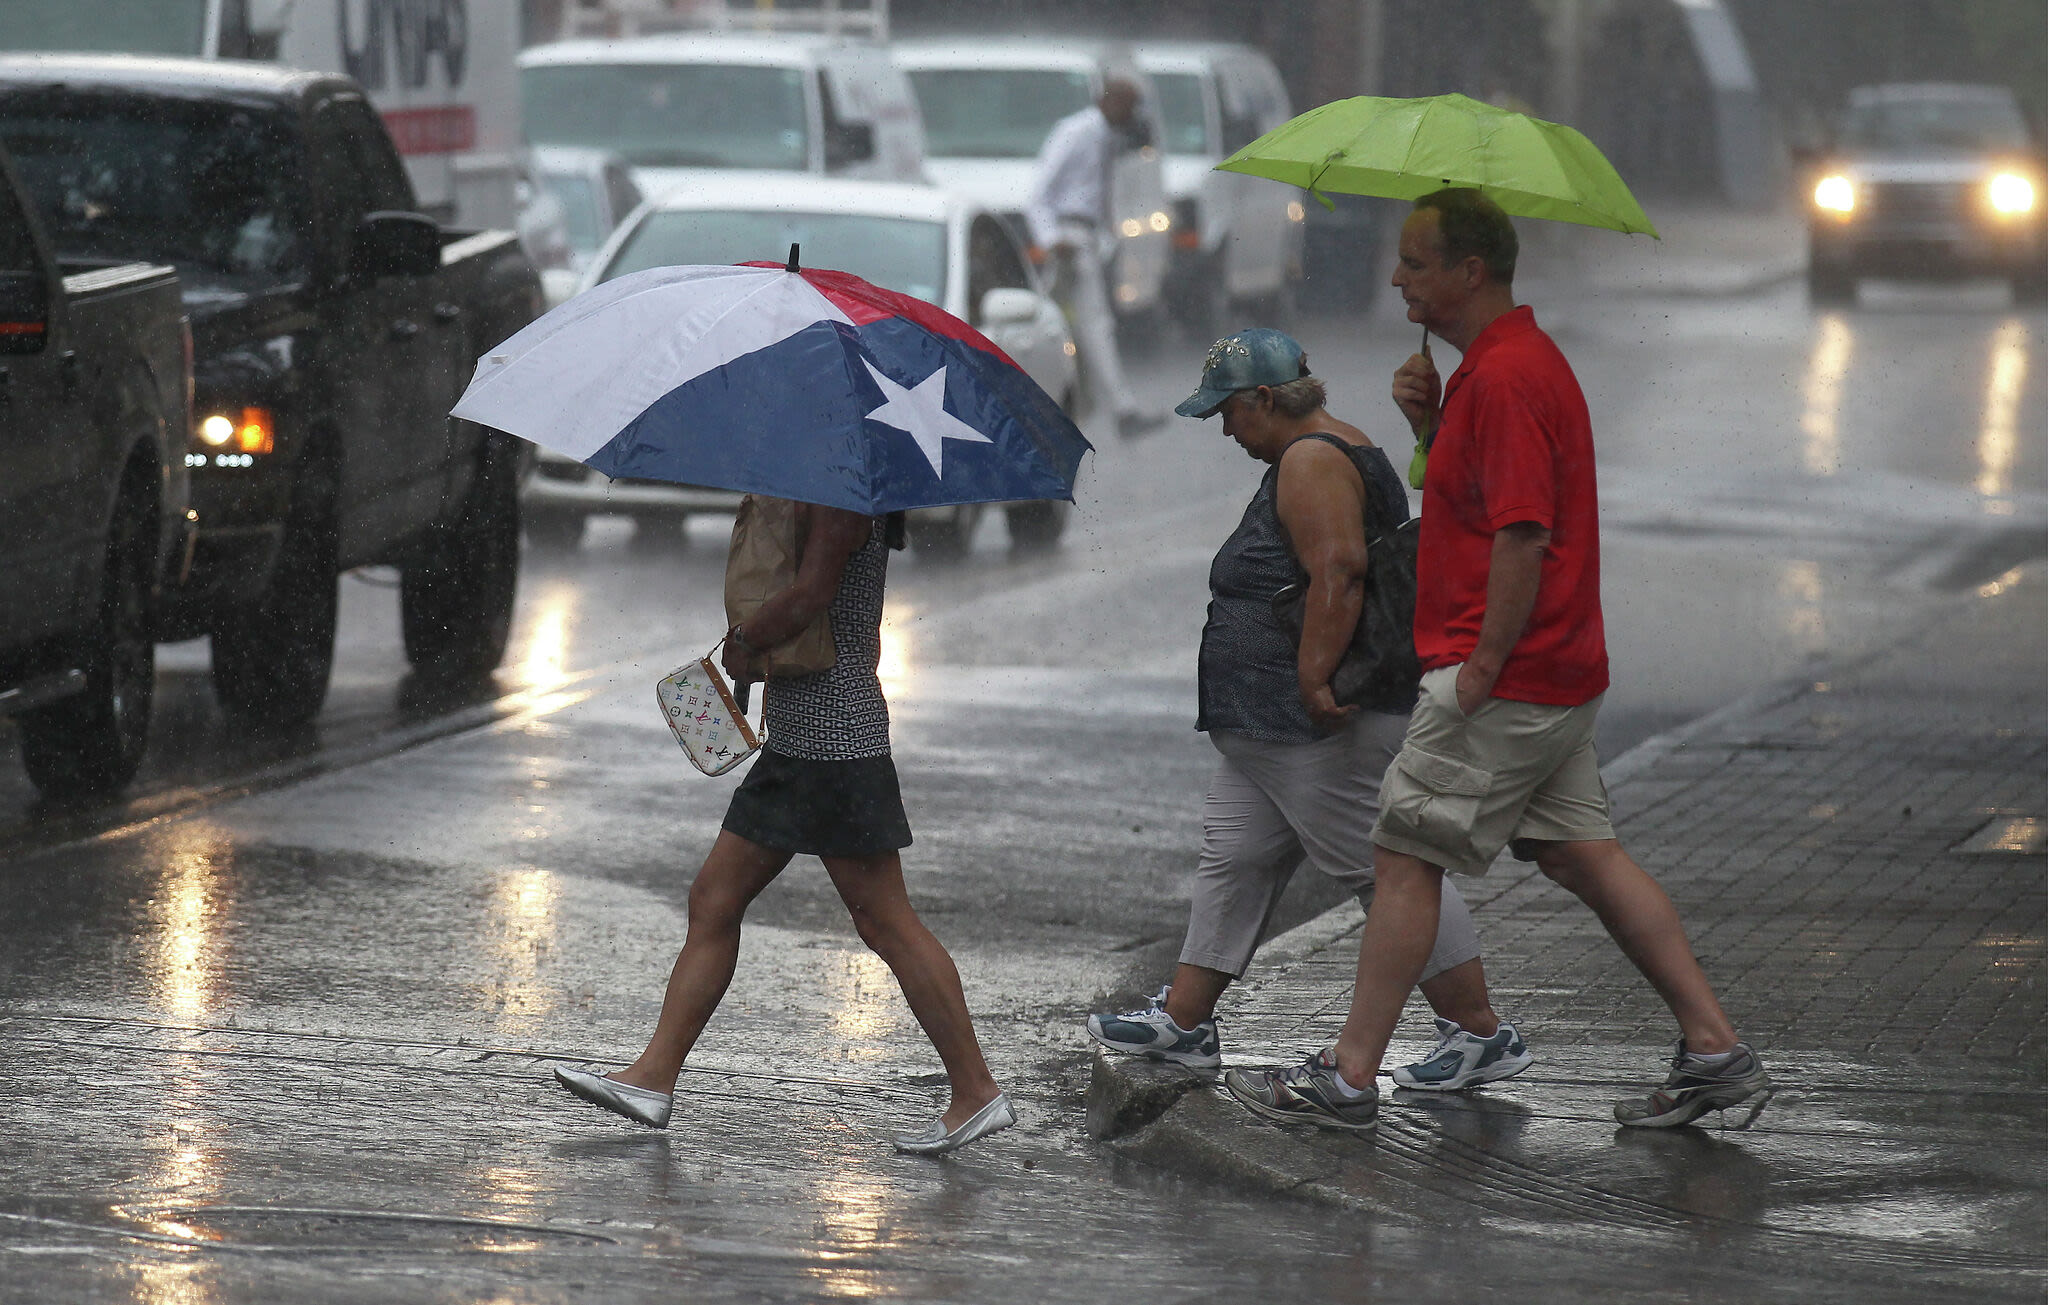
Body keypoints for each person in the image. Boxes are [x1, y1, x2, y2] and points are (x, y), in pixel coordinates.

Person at [1224, 189, 1772, 1133]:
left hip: (1505, 677)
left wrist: (1476, 673)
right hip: (1549, 672)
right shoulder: (1500, 369)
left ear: (1469, 272)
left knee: (1398, 855)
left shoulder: (1512, 375)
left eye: (1415, 262)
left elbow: (1522, 535)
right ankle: (1715, 1046)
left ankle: (1349, 1075)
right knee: (1580, 854)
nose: (1395, 277)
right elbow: (1476, 499)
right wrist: (1431, 425)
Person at [1085, 328, 1530, 1104]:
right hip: (1270, 733)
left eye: (1228, 412)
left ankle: (1480, 1032)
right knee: (1235, 853)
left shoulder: (1312, 458)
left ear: (1264, 399)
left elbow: (1340, 570)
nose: (1225, 430)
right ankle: (1186, 1022)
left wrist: (1313, 675)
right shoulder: (1327, 447)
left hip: (1311, 722)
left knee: (1388, 869)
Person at [551, 501, 1015, 1156]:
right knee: (716, 899)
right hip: (805, 740)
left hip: (835, 743)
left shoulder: (843, 489)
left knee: (885, 919)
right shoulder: (835, 477)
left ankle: (976, 1089)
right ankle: (653, 1076)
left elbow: (811, 593)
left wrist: (746, 641)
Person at [1024, 77, 1159, 440]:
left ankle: (1117, 409)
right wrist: (1052, 239)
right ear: (1110, 101)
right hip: (1067, 239)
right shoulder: (1075, 132)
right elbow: (1038, 194)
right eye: (1129, 107)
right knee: (1078, 325)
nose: (1132, 116)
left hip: (1084, 239)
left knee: (1059, 323)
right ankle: (1121, 409)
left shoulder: (1107, 138)